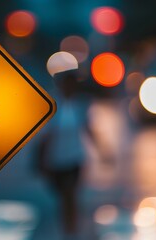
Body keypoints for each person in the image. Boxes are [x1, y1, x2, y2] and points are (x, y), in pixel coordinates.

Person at [36, 69, 91, 238]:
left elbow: (89, 129)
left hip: (75, 159)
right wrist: (42, 159)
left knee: (71, 193)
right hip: (57, 161)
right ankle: (66, 225)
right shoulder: (54, 106)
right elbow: (46, 136)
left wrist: (104, 151)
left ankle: (71, 228)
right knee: (63, 195)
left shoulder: (80, 106)